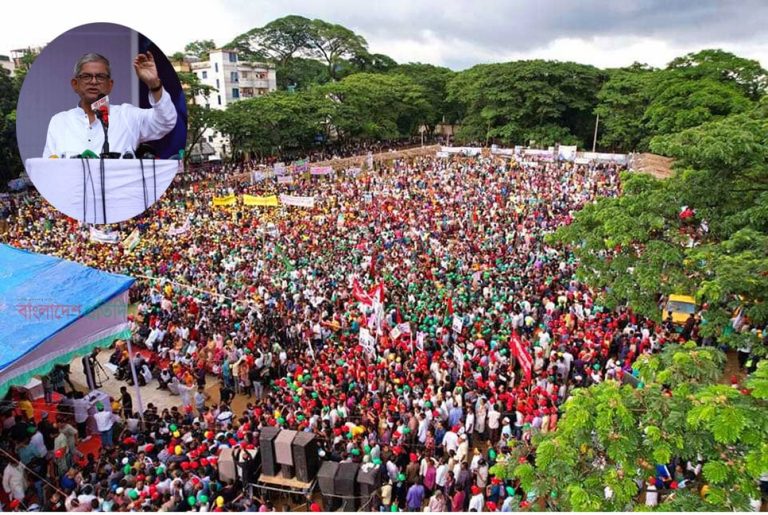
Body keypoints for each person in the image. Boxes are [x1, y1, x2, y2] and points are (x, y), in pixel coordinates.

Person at [43, 52, 177, 158]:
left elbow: (166, 122)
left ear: (110, 85)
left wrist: (154, 84)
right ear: (75, 84)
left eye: (100, 77)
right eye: (86, 76)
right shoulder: (59, 121)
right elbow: (49, 167)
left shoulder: (127, 115)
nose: (94, 82)